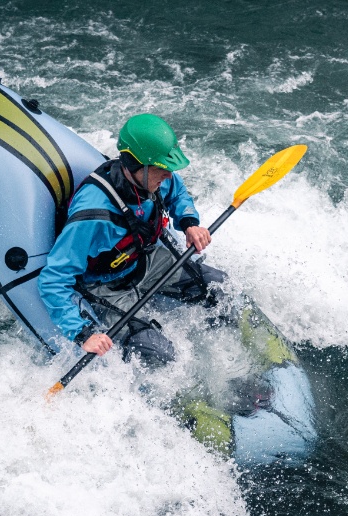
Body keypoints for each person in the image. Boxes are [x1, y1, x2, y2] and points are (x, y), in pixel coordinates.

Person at [37, 114, 227, 365]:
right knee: (157, 353)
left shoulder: (155, 180)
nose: (169, 176)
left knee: (218, 287)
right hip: (107, 285)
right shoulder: (94, 215)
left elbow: (178, 193)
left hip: (145, 260)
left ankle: (236, 353)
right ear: (137, 165)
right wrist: (82, 333)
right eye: (163, 170)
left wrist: (189, 223)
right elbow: (54, 278)